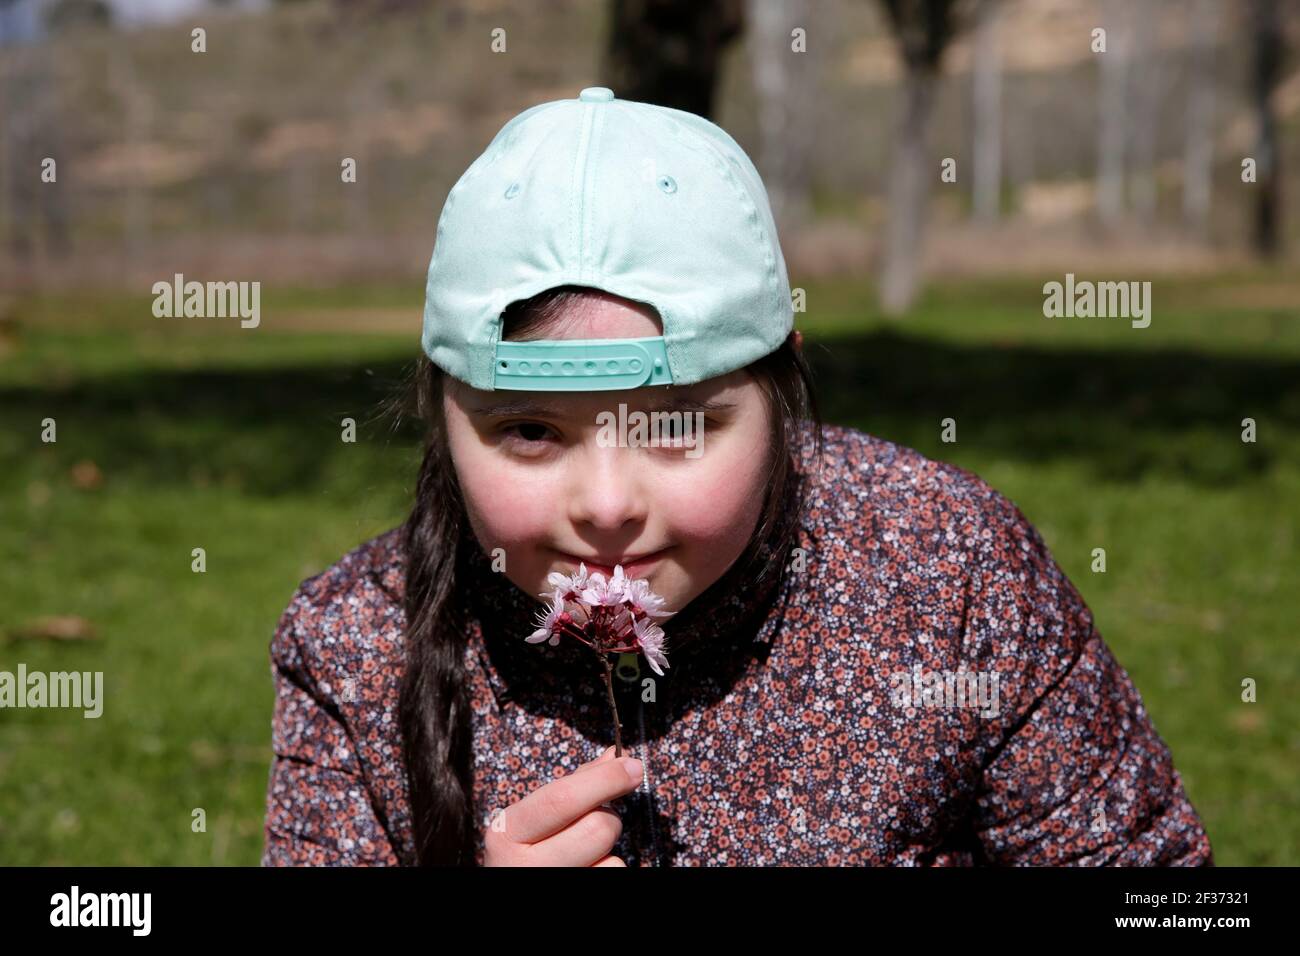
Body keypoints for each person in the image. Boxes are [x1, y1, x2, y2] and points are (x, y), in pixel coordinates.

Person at [262, 88, 1213, 867]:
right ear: (443, 416)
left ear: (780, 389)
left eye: (679, 425)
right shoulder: (354, 647)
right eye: (529, 431)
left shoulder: (949, 577)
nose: (605, 507)